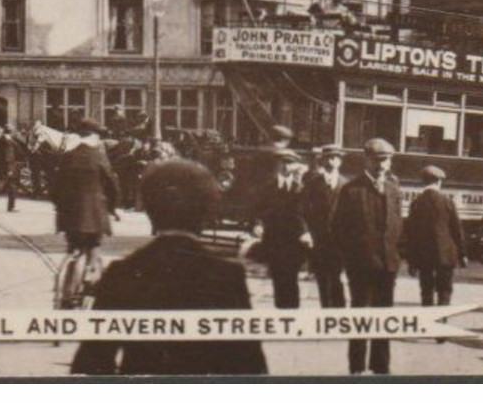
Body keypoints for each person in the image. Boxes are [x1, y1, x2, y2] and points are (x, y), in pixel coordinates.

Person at [72, 160, 267, 375]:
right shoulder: (227, 276)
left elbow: (91, 364)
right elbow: (251, 366)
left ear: (149, 209)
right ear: (207, 211)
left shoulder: (122, 272)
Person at [331, 138, 403, 375]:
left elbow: (397, 225)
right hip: (361, 266)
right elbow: (338, 229)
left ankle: (381, 367)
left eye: (388, 160)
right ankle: (357, 368)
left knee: (385, 318)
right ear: (367, 160)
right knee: (361, 316)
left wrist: (397, 254)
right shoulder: (352, 190)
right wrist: (350, 260)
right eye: (380, 160)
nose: (384, 165)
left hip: (388, 265)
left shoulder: (394, 189)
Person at [251, 149, 311, 309]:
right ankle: (281, 314)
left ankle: (293, 315)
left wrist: (305, 232)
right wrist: (257, 224)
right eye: (283, 162)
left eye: (290, 163)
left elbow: (305, 212)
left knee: (291, 280)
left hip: (294, 242)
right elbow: (257, 209)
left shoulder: (301, 188)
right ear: (278, 164)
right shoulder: (267, 188)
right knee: (278, 280)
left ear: (296, 165)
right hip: (274, 241)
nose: (286, 166)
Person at [52, 118, 119, 259]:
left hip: (70, 216)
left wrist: (60, 207)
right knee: (94, 246)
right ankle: (92, 272)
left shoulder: (68, 156)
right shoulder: (99, 157)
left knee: (73, 247)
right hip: (95, 214)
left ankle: (69, 269)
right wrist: (112, 208)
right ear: (95, 136)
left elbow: (56, 187)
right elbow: (112, 185)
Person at [402, 165, 467, 306]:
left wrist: (412, 262)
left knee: (426, 290)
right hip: (445, 255)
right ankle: (442, 318)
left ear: (423, 182)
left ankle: (429, 318)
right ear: (439, 182)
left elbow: (411, 234)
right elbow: (457, 230)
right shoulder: (447, 202)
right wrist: (462, 254)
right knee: (444, 290)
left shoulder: (416, 203)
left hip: (424, 255)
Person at [302, 144, 349, 308]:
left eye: (336, 157)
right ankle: (326, 313)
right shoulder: (314, 184)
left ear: (340, 161)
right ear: (322, 160)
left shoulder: (346, 185)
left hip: (340, 242)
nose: (332, 160)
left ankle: (339, 313)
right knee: (322, 279)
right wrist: (306, 232)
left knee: (337, 278)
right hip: (319, 240)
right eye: (328, 157)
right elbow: (303, 209)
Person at [0, 126, 23, 212]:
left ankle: (10, 207)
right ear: (11, 132)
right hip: (6, 168)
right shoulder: (7, 142)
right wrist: (9, 169)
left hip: (4, 168)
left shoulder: (4, 140)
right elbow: (7, 157)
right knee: (1, 188)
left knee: (11, 187)